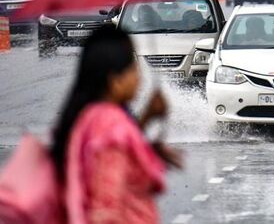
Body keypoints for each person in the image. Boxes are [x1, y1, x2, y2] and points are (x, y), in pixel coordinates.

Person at [51, 26, 182, 223]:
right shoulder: (110, 125)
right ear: (115, 81)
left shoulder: (92, 115)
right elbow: (105, 208)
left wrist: (147, 133)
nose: (139, 78)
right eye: (133, 69)